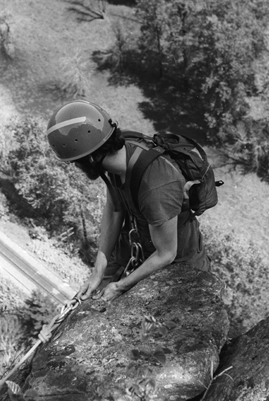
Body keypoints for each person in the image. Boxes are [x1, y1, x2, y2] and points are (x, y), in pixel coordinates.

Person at [46, 100, 210, 302]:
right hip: (141, 247)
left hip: (178, 266)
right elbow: (115, 207)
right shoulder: (118, 155)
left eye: (75, 163)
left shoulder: (155, 186)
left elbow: (166, 254)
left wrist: (120, 286)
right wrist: (99, 269)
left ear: (89, 160)